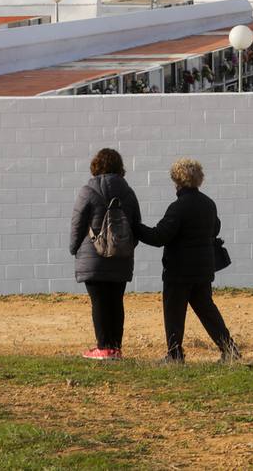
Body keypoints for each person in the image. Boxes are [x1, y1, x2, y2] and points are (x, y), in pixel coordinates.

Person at [135, 158, 240, 364]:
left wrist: (134, 227)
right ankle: (230, 350)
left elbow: (159, 237)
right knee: (207, 311)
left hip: (179, 271)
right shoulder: (209, 204)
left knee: (174, 313)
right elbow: (215, 228)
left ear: (177, 180)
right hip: (203, 269)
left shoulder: (178, 207)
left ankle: (175, 354)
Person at [69, 147, 142, 361]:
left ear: (96, 166)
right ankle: (115, 348)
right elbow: (136, 225)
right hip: (121, 257)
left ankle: (103, 348)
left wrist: (74, 248)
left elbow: (78, 223)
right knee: (116, 301)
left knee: (99, 302)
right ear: (120, 168)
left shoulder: (87, 191)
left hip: (93, 256)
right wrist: (126, 247)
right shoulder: (128, 192)